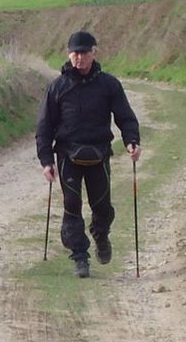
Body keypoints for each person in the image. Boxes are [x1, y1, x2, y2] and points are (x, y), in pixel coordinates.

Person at [35, 30, 141, 279]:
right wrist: (46, 161)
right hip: (67, 155)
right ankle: (80, 256)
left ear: (94, 52)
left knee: (102, 207)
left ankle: (100, 234)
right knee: (72, 206)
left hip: (99, 154)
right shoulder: (57, 87)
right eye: (74, 53)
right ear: (68, 54)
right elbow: (44, 126)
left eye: (84, 53)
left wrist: (132, 141)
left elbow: (125, 116)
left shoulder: (109, 84)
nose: (79, 58)